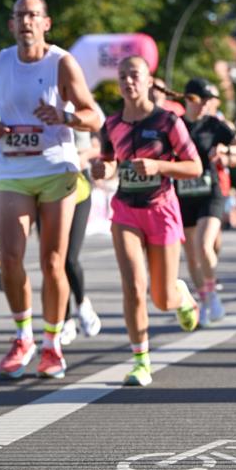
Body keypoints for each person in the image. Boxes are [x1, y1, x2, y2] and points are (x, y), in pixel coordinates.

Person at [0, 0, 101, 379]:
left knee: (52, 261)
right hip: (13, 168)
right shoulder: (0, 61)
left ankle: (52, 344)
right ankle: (22, 336)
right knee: (9, 258)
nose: (26, 22)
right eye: (19, 16)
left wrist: (64, 116)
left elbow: (94, 116)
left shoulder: (61, 62)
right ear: (12, 24)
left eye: (33, 15)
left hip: (56, 169)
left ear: (46, 23)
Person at [91, 55, 202, 388]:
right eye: (123, 76)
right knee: (134, 287)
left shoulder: (168, 121)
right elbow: (111, 162)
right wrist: (103, 170)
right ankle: (140, 361)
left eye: (134, 75)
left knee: (162, 297)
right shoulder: (112, 124)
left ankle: (181, 296)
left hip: (162, 210)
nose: (128, 81)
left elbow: (194, 167)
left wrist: (159, 167)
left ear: (149, 80)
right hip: (125, 209)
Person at [177, 77, 236, 327]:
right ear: (189, 99)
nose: (206, 106)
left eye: (209, 101)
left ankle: (212, 294)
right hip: (183, 194)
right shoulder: (174, 125)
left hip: (211, 192)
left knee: (203, 245)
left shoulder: (214, 124)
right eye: (202, 101)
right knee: (191, 254)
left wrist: (226, 152)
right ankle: (204, 299)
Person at [60, 128, 102, 346]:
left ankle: (82, 303)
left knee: (69, 257)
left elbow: (98, 146)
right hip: (46, 186)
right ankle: (65, 320)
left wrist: (82, 156)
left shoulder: (82, 105)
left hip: (78, 188)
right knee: (53, 261)